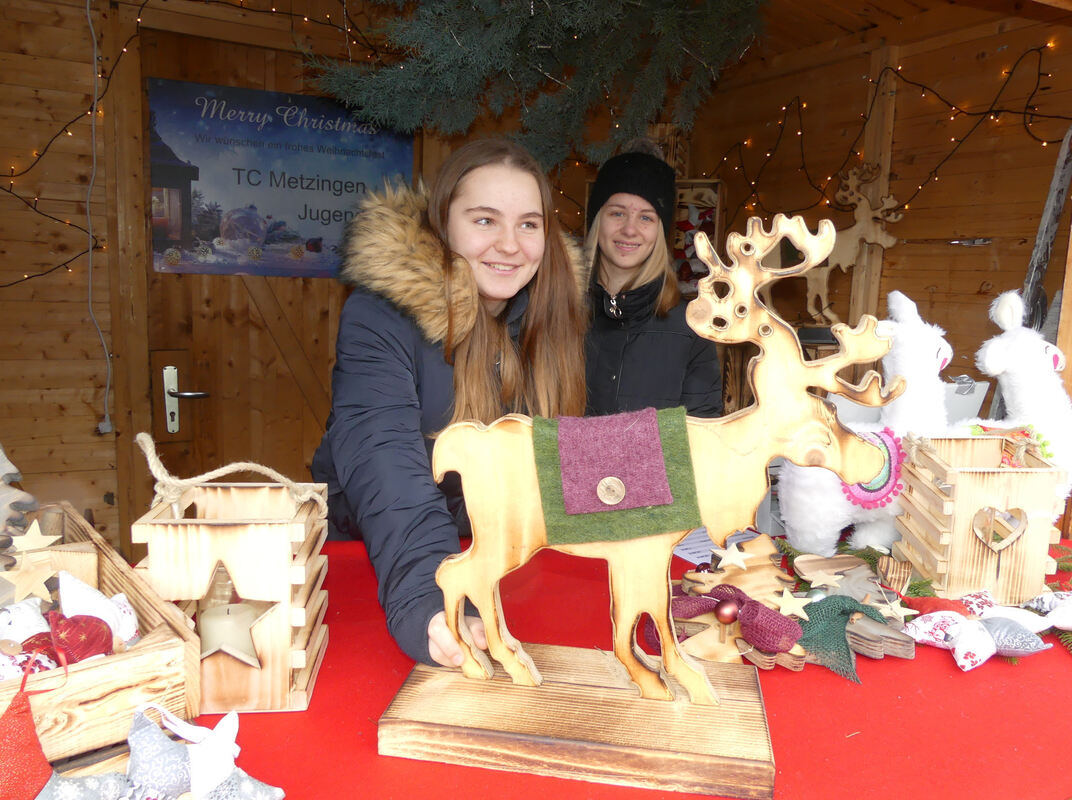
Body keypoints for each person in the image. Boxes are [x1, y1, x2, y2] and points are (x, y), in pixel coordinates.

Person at [311, 139, 587, 667]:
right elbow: (384, 460)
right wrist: (433, 599)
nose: (511, 244)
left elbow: (567, 465)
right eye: (485, 221)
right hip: (375, 558)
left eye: (529, 224)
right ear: (443, 223)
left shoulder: (550, 318)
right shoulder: (380, 315)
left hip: (497, 562)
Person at [584, 143, 723, 417]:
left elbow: (703, 436)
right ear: (597, 221)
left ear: (660, 232)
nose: (629, 229)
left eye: (646, 217)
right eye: (617, 213)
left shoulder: (691, 329)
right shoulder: (555, 315)